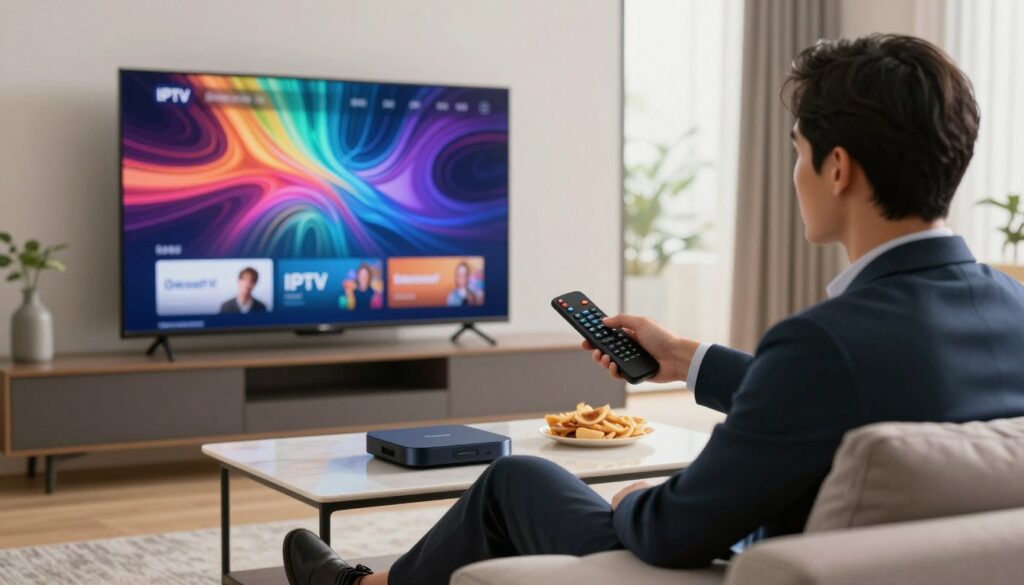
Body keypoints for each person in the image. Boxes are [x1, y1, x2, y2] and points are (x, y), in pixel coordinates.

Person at [280, 34, 1024, 585]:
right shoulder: (1010, 307)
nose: (794, 174)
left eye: (798, 152)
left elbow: (676, 529)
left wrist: (644, 496)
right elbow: (869, 398)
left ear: (837, 168)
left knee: (518, 480)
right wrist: (686, 358)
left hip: (753, 560)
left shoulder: (822, 345)